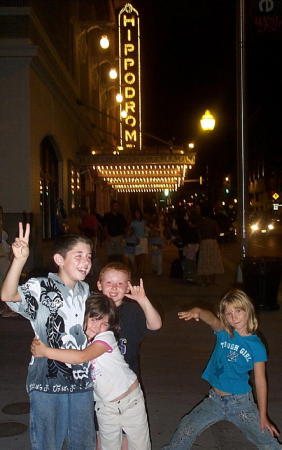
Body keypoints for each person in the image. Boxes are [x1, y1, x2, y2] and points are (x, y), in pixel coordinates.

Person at [0, 223, 96, 450]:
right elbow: (8, 295)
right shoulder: (41, 286)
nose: (86, 262)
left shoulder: (86, 291)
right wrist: (19, 260)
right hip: (46, 382)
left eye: (89, 256)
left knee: (83, 443)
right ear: (59, 259)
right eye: (79, 255)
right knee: (47, 444)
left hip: (82, 381)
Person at [162, 289, 282, 450]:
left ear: (248, 310)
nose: (234, 317)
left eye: (238, 311)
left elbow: (260, 381)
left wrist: (263, 415)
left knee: (266, 440)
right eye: (228, 313)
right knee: (186, 429)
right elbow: (210, 318)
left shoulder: (257, 346)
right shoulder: (224, 333)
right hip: (214, 401)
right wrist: (198, 311)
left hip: (241, 404)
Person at [31, 293, 151, 450]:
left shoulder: (106, 338)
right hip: (105, 406)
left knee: (140, 446)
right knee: (108, 447)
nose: (98, 327)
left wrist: (45, 351)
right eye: (94, 319)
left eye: (104, 323)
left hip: (130, 402)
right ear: (84, 316)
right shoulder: (78, 341)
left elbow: (81, 357)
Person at [97, 261, 162, 377]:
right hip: (96, 375)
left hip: (126, 377)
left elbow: (155, 326)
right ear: (99, 285)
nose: (114, 287)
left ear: (128, 288)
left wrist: (143, 300)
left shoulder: (133, 311)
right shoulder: (91, 309)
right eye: (109, 282)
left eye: (120, 283)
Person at [197, 206, 224, 286]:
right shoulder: (213, 222)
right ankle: (212, 281)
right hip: (212, 242)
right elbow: (218, 233)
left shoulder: (201, 222)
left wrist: (200, 241)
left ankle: (204, 281)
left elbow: (198, 234)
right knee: (213, 261)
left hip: (204, 242)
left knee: (204, 262)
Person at [130, 208, 149, 277]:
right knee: (137, 257)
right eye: (136, 213)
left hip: (143, 239)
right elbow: (131, 232)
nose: (137, 215)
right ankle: (138, 270)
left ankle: (142, 271)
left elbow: (146, 230)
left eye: (138, 213)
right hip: (136, 240)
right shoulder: (133, 222)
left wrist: (146, 235)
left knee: (143, 257)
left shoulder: (144, 222)